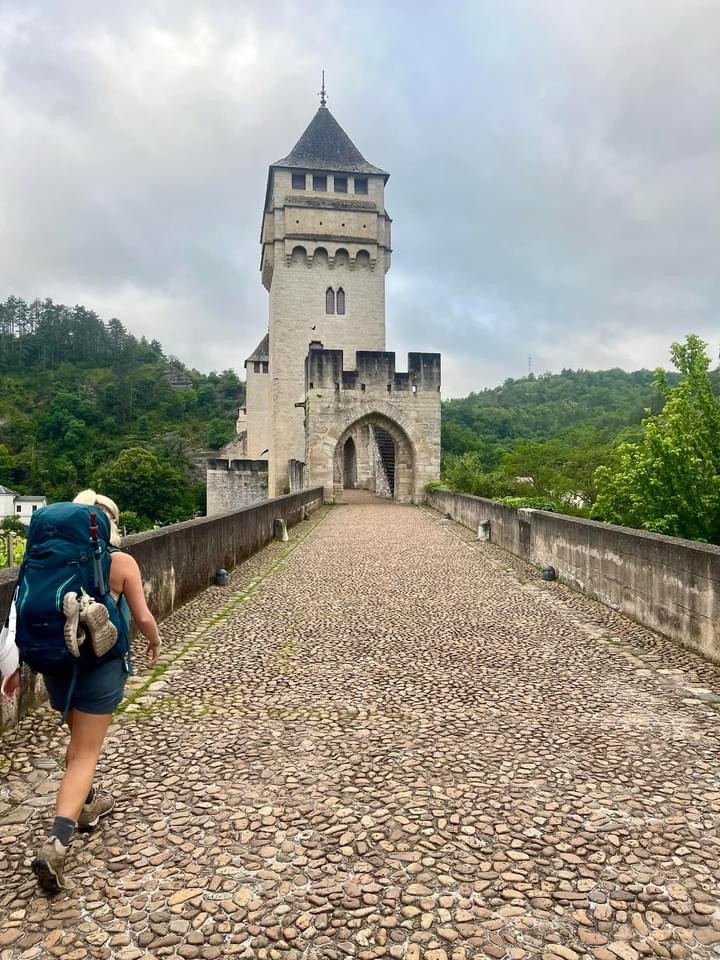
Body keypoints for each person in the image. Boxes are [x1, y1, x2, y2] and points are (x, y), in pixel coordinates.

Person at [0, 490, 161, 892]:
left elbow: (19, 616)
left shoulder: (40, 565)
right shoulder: (120, 562)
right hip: (100, 668)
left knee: (77, 740)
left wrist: (14, 668)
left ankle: (87, 805)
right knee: (86, 752)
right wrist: (154, 641)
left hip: (55, 665)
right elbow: (142, 616)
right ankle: (57, 843)